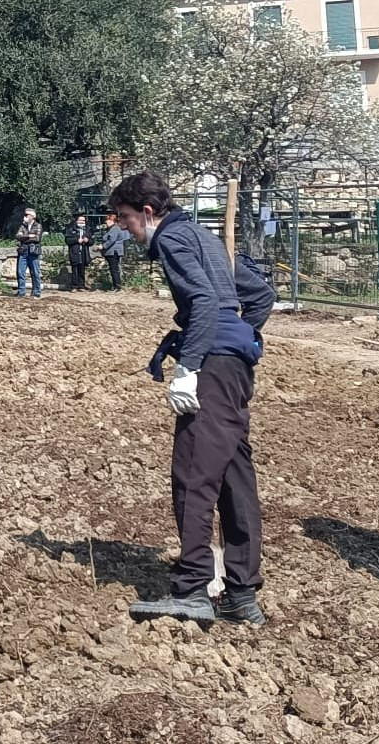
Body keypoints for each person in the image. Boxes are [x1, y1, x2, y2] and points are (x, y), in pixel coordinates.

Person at [108, 172, 266, 627]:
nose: (123, 228)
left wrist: (188, 366)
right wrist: (240, 335)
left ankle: (194, 586)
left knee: (194, 473)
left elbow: (200, 301)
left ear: (149, 213)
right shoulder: (205, 235)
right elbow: (259, 295)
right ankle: (241, 592)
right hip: (236, 365)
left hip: (213, 366)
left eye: (126, 219)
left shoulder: (173, 240)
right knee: (235, 477)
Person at [14, 208, 44, 299]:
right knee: (20, 272)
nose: (25, 217)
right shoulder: (23, 226)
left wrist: (24, 237)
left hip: (33, 251)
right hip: (23, 251)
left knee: (35, 272)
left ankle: (36, 292)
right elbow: (18, 236)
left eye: (27, 215)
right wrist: (29, 236)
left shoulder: (38, 226)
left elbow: (37, 238)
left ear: (32, 216)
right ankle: (21, 291)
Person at [98, 217, 130, 290]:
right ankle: (116, 286)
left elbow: (112, 239)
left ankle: (117, 286)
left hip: (113, 252)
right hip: (112, 252)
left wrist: (103, 246)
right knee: (113, 269)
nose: (106, 222)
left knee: (114, 269)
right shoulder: (112, 229)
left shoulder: (115, 228)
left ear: (111, 220)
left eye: (107, 220)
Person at [65, 215, 93, 291]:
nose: (82, 222)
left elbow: (91, 241)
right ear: (76, 221)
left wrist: (88, 241)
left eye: (83, 221)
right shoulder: (71, 229)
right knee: (75, 269)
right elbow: (67, 240)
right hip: (75, 252)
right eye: (80, 220)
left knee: (82, 269)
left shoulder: (87, 230)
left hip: (84, 252)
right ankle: (74, 286)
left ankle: (81, 286)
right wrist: (77, 240)